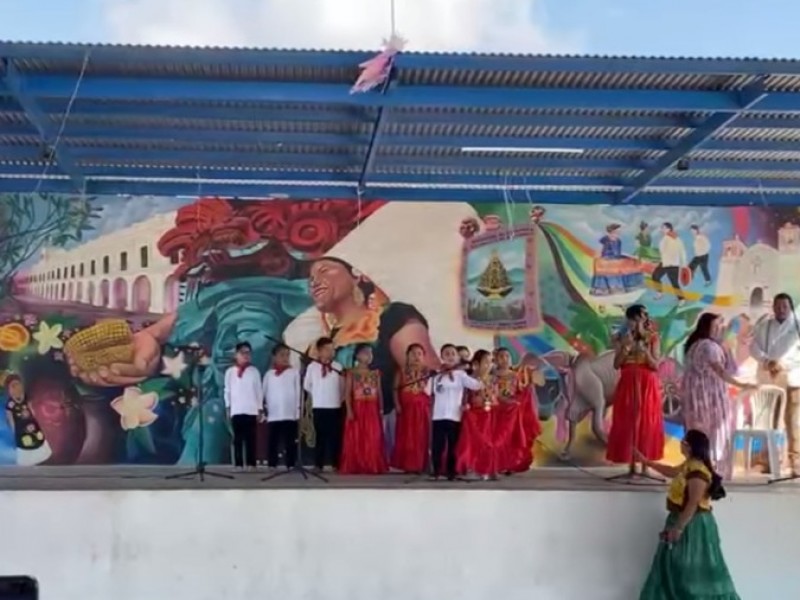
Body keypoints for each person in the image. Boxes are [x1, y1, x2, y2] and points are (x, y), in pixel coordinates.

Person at [637, 429, 740, 599]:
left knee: (690, 570)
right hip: (682, 521)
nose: (680, 444)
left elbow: (693, 503)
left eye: (683, 441)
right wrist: (647, 462)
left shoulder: (697, 470)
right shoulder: (689, 464)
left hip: (693, 526)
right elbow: (671, 472)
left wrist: (678, 528)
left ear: (690, 446)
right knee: (673, 568)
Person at [683, 313, 755, 480]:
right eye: (714, 326)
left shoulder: (698, 344)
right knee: (712, 434)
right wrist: (742, 385)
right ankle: (710, 471)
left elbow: (730, 368)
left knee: (700, 435)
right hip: (708, 398)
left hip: (701, 397)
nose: (718, 330)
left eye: (719, 327)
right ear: (705, 327)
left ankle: (698, 470)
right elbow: (721, 371)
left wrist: (727, 347)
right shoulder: (707, 346)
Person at [606, 304, 664, 473]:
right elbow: (617, 364)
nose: (637, 323)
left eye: (640, 319)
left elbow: (655, 365)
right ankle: (631, 465)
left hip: (647, 383)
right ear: (629, 320)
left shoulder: (653, 337)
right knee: (628, 422)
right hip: (628, 382)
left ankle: (646, 465)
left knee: (646, 421)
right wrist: (626, 348)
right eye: (633, 319)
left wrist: (645, 351)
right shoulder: (621, 337)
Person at [749, 292, 800, 477]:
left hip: (793, 380)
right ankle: (766, 461)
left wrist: (782, 364)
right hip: (770, 379)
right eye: (777, 306)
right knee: (767, 420)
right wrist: (767, 361)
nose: (781, 310)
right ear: (773, 307)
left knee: (792, 421)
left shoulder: (797, 326)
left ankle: (795, 462)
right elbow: (753, 347)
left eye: (785, 306)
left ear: (790, 307)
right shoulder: (765, 325)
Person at [430, 343, 482, 481]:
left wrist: (478, 373)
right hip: (438, 416)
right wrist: (434, 375)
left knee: (453, 446)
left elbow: (476, 385)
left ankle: (451, 472)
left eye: (453, 353)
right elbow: (427, 391)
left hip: (454, 416)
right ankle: (436, 471)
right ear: (442, 357)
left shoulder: (461, 375)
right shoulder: (437, 375)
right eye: (446, 354)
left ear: (458, 357)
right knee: (437, 445)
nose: (450, 356)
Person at [340, 344, 388, 474]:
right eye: (366, 353)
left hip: (372, 407)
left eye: (370, 353)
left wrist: (381, 409)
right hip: (358, 406)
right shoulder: (351, 372)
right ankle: (356, 464)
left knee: (372, 436)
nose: (369, 356)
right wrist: (349, 409)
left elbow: (379, 392)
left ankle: (371, 464)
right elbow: (347, 393)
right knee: (356, 436)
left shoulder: (375, 373)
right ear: (358, 355)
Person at [494, 347, 542, 474]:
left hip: (512, 412)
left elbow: (521, 392)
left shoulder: (516, 376)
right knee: (497, 438)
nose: (504, 359)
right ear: (496, 359)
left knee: (511, 438)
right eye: (501, 356)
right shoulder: (492, 376)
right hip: (496, 411)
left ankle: (510, 464)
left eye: (507, 356)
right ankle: (496, 463)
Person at [456, 349, 500, 480]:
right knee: (472, 443)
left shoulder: (492, 380)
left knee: (487, 443)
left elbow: (495, 397)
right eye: (485, 362)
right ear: (476, 364)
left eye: (490, 362)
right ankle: (471, 469)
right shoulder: (469, 379)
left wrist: (492, 400)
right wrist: (466, 406)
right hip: (473, 417)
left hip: (488, 416)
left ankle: (486, 469)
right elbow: (463, 397)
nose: (489, 365)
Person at [303, 337, 344, 472]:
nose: (330, 352)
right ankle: (318, 463)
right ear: (319, 351)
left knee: (335, 436)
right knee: (320, 435)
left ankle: (335, 463)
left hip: (335, 406)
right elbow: (307, 386)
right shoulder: (312, 367)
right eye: (327, 349)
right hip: (319, 406)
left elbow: (343, 386)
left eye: (332, 349)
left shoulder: (338, 367)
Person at [391, 343, 433, 474]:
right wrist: (397, 404)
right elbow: (395, 389)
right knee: (407, 437)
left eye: (419, 354)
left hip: (423, 409)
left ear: (424, 356)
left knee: (422, 436)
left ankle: (422, 464)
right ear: (407, 356)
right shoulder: (402, 370)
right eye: (413, 353)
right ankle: (408, 465)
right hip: (406, 409)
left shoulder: (429, 372)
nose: (416, 356)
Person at [224, 342, 263, 471]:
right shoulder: (230, 372)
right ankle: (239, 464)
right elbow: (227, 391)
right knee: (238, 438)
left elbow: (258, 390)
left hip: (251, 410)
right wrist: (228, 407)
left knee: (251, 438)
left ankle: (252, 463)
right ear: (236, 355)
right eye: (243, 353)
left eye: (248, 353)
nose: (246, 355)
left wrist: (259, 408)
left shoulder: (254, 372)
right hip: (237, 409)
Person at [262, 343, 301, 471]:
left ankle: (291, 464)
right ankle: (272, 464)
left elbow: (298, 392)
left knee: (290, 440)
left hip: (290, 413)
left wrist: (297, 411)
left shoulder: (294, 372)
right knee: (273, 440)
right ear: (274, 357)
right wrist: (263, 409)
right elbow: (263, 392)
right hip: (274, 414)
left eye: (287, 355)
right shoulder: (269, 374)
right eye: (282, 355)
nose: (285, 358)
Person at [4, 375, 52, 466]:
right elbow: (10, 419)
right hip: (21, 429)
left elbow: (32, 409)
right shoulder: (10, 405)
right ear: (9, 390)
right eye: (13, 386)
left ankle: (42, 457)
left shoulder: (26, 397)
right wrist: (14, 431)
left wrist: (34, 418)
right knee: (25, 445)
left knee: (37, 439)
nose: (16, 389)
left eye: (18, 385)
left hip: (32, 425)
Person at [652, 222, 686, 301]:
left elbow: (682, 251)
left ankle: (681, 299)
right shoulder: (665, 238)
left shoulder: (676, 239)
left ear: (669, 229)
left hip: (672, 264)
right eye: (662, 228)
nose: (661, 229)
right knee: (655, 276)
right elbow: (663, 252)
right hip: (664, 263)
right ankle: (660, 293)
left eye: (663, 228)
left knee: (674, 283)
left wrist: (683, 263)